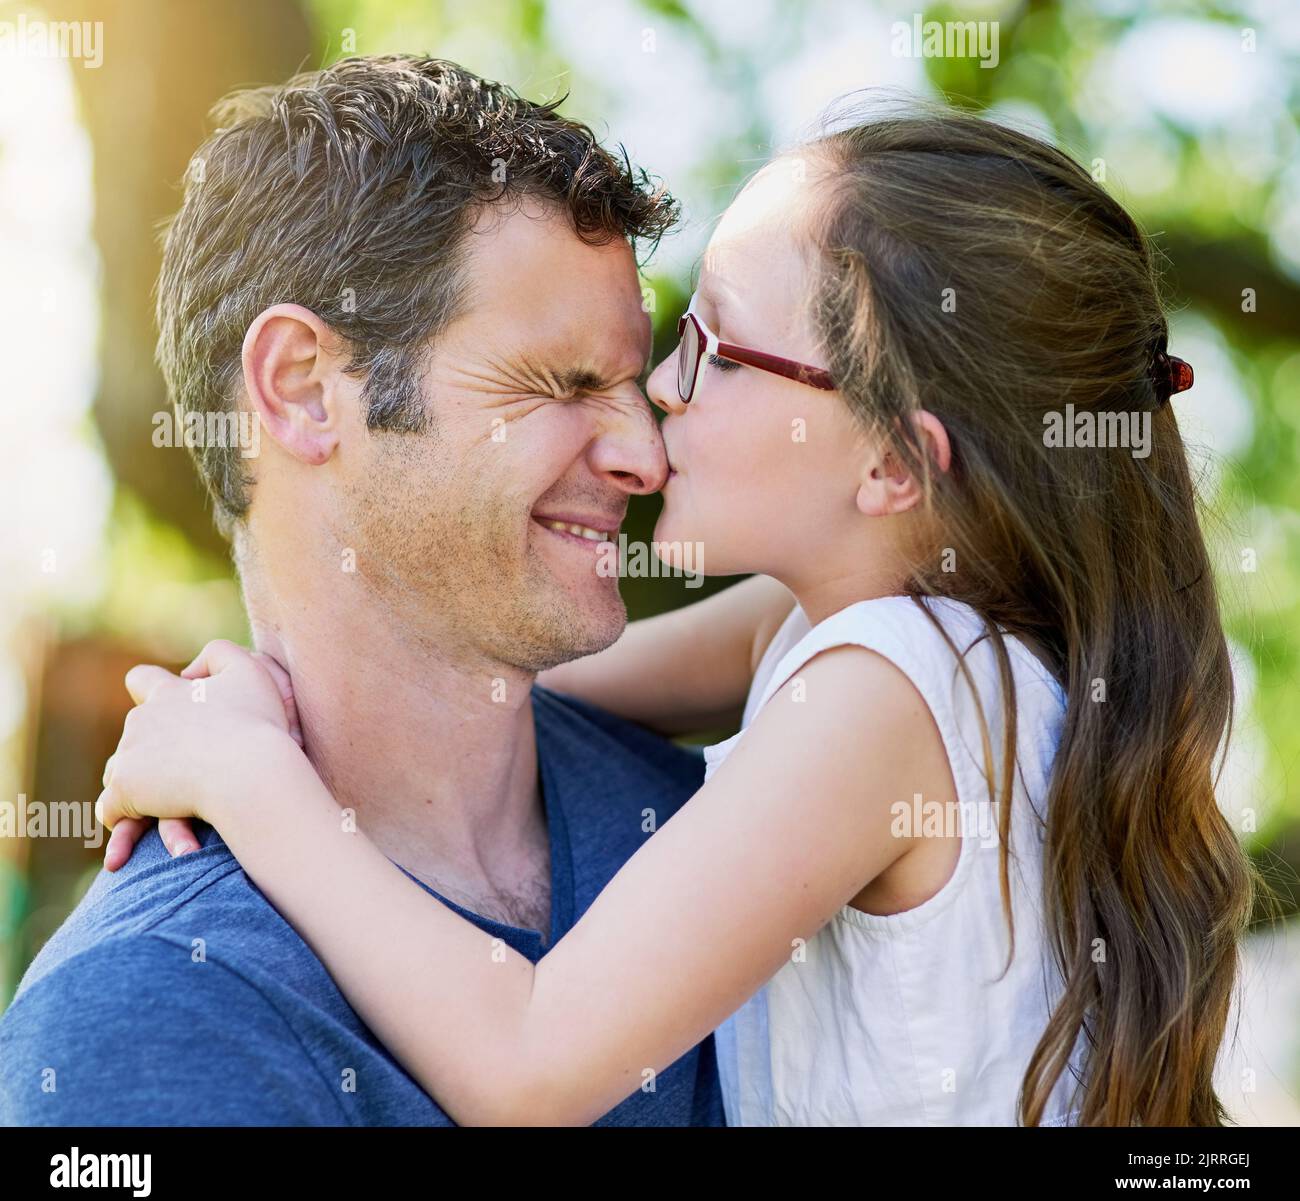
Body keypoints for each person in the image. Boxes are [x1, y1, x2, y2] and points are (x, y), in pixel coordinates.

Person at [95, 97, 1258, 1126]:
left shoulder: (883, 694)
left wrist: (252, 775)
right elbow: (481, 684)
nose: (659, 394)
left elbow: (527, 1065)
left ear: (891, 463)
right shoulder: (903, 644)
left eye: (716, 350)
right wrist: (283, 692)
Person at [0, 55, 726, 1127]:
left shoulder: (730, 819)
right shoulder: (151, 1005)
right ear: (302, 389)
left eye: (633, 382)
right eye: (563, 382)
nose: (646, 456)